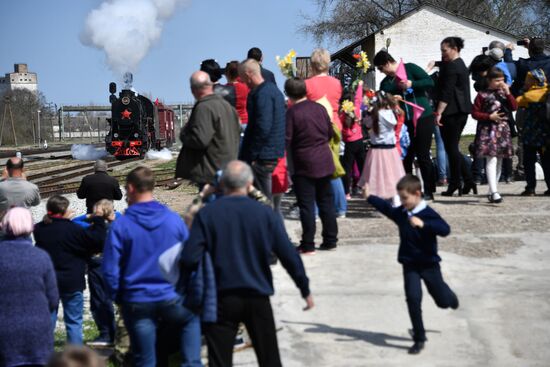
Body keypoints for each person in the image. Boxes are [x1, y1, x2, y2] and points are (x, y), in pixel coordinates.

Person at [180, 160, 314, 367]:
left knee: (220, 360)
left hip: (220, 299)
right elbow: (288, 254)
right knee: (269, 358)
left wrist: (201, 197)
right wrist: (304, 288)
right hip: (257, 296)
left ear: (221, 184)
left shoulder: (208, 214)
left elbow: (189, 258)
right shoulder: (264, 213)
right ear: (250, 182)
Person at [102, 167, 202, 367]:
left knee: (145, 359)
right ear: (153, 186)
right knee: (191, 321)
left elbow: (110, 271)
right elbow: (191, 259)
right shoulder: (174, 220)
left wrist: (121, 298)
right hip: (171, 297)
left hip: (137, 300)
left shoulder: (120, 226)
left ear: (130, 188)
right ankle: (191, 361)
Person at [367, 174, 459, 355]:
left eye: (405, 198)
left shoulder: (428, 214)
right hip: (410, 265)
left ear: (417, 194)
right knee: (413, 299)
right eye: (400, 198)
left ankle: (449, 296)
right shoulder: (402, 213)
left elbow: (445, 230)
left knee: (442, 302)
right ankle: (419, 338)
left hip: (429, 265)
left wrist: (424, 224)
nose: (402, 202)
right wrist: (369, 197)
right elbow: (387, 208)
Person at [34, 195, 108, 346]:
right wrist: (99, 219)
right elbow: (98, 241)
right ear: (64, 210)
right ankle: (75, 355)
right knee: (74, 321)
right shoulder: (73, 230)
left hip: (49, 280)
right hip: (72, 280)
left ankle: (44, 352)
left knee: (49, 318)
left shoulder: (40, 229)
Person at [0, 208, 59, 367]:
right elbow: (53, 300)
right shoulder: (41, 257)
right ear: (31, 227)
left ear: (3, 226)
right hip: (38, 329)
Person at [374, 50, 436, 200]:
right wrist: (391, 99)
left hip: (423, 117)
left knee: (423, 155)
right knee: (406, 157)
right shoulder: (385, 83)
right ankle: (410, 190)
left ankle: (428, 190)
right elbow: (382, 100)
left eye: (382, 68)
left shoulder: (410, 68)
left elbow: (429, 82)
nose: (382, 72)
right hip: (404, 121)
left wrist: (412, 84)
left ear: (388, 63)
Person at [285, 78, 338, 254]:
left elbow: (287, 139)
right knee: (326, 202)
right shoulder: (320, 108)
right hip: (324, 159)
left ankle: (308, 244)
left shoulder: (292, 113)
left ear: (288, 94)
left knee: (306, 205)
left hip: (303, 163)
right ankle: (330, 239)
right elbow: (330, 133)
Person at [176, 71, 241, 190]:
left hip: (211, 174)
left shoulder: (204, 107)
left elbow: (200, 139)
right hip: (227, 169)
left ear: (193, 89)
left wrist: (184, 134)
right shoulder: (227, 106)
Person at [305, 48, 347, 216]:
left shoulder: (308, 84)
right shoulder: (336, 83)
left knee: (313, 168)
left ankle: (314, 209)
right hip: (334, 125)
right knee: (333, 166)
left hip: (315, 126)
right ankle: (340, 206)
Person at [73, 200, 121, 347]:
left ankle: (106, 333)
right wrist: (113, 213)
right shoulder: (120, 224)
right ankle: (117, 333)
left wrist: (89, 216)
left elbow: (74, 222)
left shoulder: (92, 227)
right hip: (117, 265)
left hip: (98, 265)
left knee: (100, 299)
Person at [239, 59, 286, 201]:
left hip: (262, 156)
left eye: (242, 77)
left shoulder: (262, 94)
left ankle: (268, 222)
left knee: (262, 200)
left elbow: (262, 127)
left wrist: (252, 156)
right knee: (267, 199)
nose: (242, 81)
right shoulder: (274, 91)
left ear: (248, 74)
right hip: (272, 151)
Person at [435, 37, 476, 196]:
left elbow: (446, 92)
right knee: (453, 148)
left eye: (444, 50)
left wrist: (438, 112)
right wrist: (437, 64)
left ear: (454, 49)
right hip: (462, 111)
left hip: (451, 112)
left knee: (451, 148)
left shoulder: (452, 67)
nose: (442, 53)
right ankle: (469, 180)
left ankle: (455, 184)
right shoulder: (460, 65)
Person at [471, 67, 517, 203]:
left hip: (503, 129)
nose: (501, 83)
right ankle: (495, 192)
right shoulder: (482, 95)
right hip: (488, 130)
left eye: (502, 80)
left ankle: (492, 190)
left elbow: (514, 107)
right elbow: (474, 113)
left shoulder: (504, 93)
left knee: (500, 160)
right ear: (489, 80)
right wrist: (489, 116)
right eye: (497, 80)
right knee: (491, 159)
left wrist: (508, 93)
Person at [359, 91, 406, 206]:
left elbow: (366, 124)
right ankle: (395, 198)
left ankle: (380, 198)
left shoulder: (374, 115)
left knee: (376, 175)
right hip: (390, 150)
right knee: (393, 174)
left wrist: (366, 112)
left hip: (376, 150)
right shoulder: (391, 113)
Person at [516, 69, 550, 196]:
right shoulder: (547, 91)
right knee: (547, 161)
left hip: (531, 134)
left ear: (533, 80)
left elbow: (517, 101)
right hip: (546, 134)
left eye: (528, 79)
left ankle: (530, 188)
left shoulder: (529, 95)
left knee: (529, 162)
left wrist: (523, 90)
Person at [340, 82, 367, 198]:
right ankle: (367, 189)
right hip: (359, 142)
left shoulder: (341, 115)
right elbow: (358, 98)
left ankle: (346, 192)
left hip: (348, 144)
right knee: (363, 167)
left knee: (347, 169)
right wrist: (360, 86)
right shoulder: (356, 111)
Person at [225, 61, 250, 125]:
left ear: (228, 74)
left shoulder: (225, 89)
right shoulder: (246, 87)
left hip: (231, 123)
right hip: (245, 121)